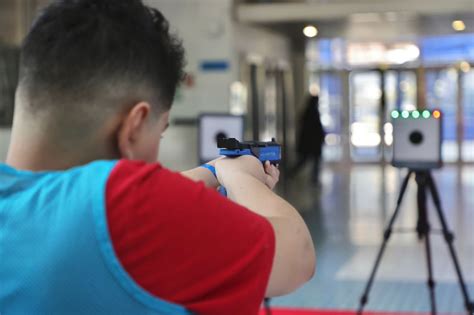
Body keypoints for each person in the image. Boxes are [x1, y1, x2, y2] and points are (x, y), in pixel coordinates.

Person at [0, 1, 315, 315]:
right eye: (160, 131)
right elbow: (297, 256)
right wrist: (242, 178)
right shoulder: (122, 203)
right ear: (134, 127)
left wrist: (215, 170)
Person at [292, 95, 326, 184]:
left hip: (310, 142)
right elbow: (316, 129)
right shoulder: (312, 112)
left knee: (306, 160)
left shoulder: (308, 111)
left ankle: (313, 178)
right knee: (309, 161)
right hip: (312, 142)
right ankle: (313, 179)